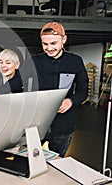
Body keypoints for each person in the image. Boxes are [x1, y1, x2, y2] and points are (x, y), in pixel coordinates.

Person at [33, 21, 88, 157]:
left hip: (63, 125)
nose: (49, 48)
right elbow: (17, 82)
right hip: (37, 123)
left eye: (53, 43)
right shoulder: (35, 61)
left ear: (64, 39)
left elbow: (83, 90)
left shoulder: (75, 61)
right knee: (30, 158)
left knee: (58, 161)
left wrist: (71, 101)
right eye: (45, 44)